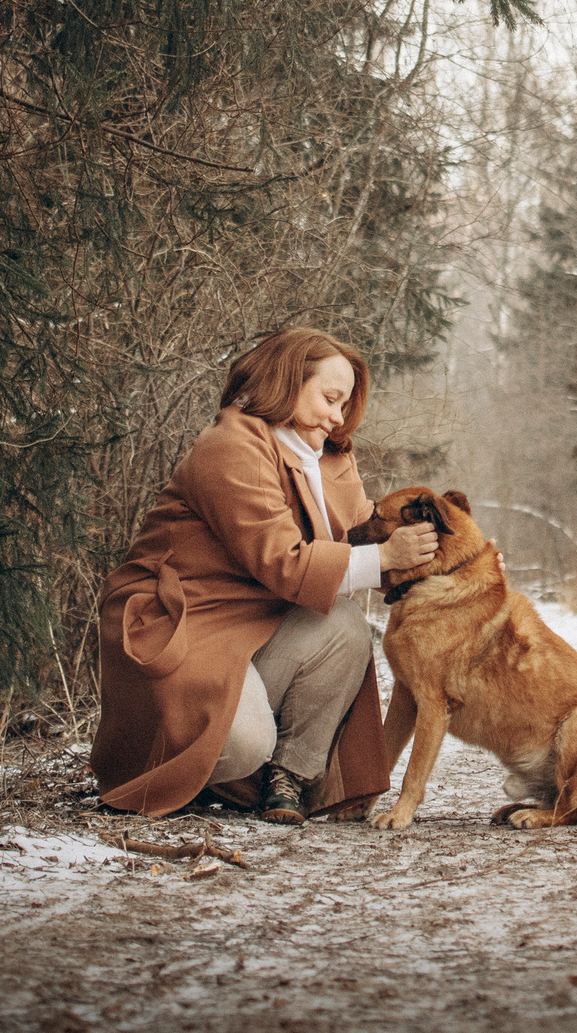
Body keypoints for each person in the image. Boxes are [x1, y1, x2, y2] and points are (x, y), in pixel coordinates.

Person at [88, 328, 439, 823]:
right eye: (330, 399)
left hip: (254, 626)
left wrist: (451, 560)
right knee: (244, 744)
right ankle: (200, 772)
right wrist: (384, 557)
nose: (339, 418)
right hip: (186, 625)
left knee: (343, 625)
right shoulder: (231, 445)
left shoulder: (330, 455)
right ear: (287, 381)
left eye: (344, 405)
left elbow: (365, 536)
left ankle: (287, 777)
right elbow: (286, 562)